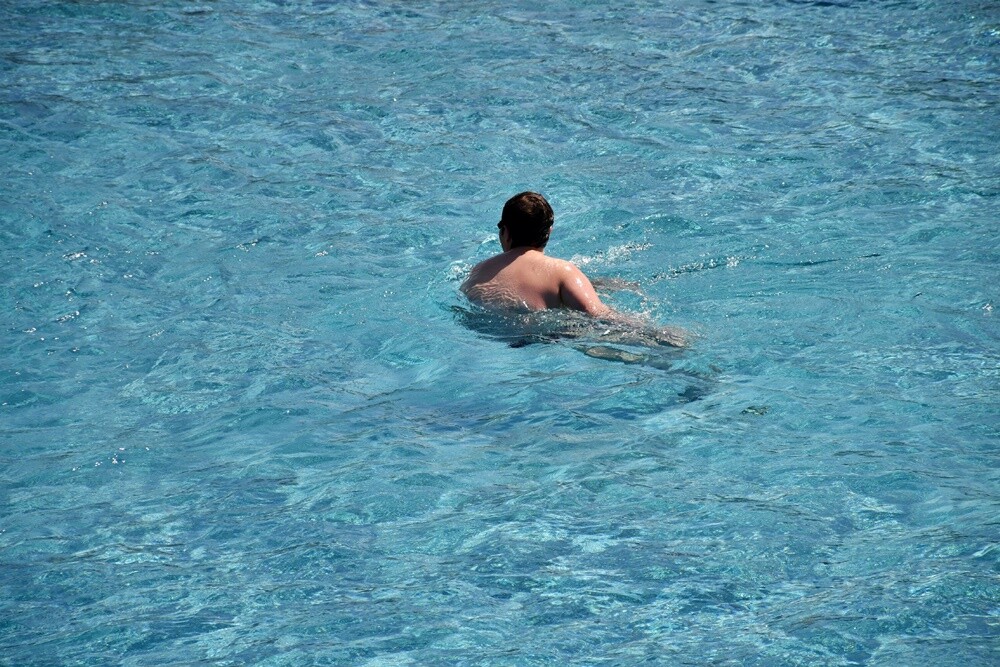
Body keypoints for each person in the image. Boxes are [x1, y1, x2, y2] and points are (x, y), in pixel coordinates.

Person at [461, 191, 686, 346]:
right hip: (549, 338)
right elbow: (601, 316)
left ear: (506, 232)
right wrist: (660, 335)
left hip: (493, 338)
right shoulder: (561, 271)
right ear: (549, 231)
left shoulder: (479, 271)